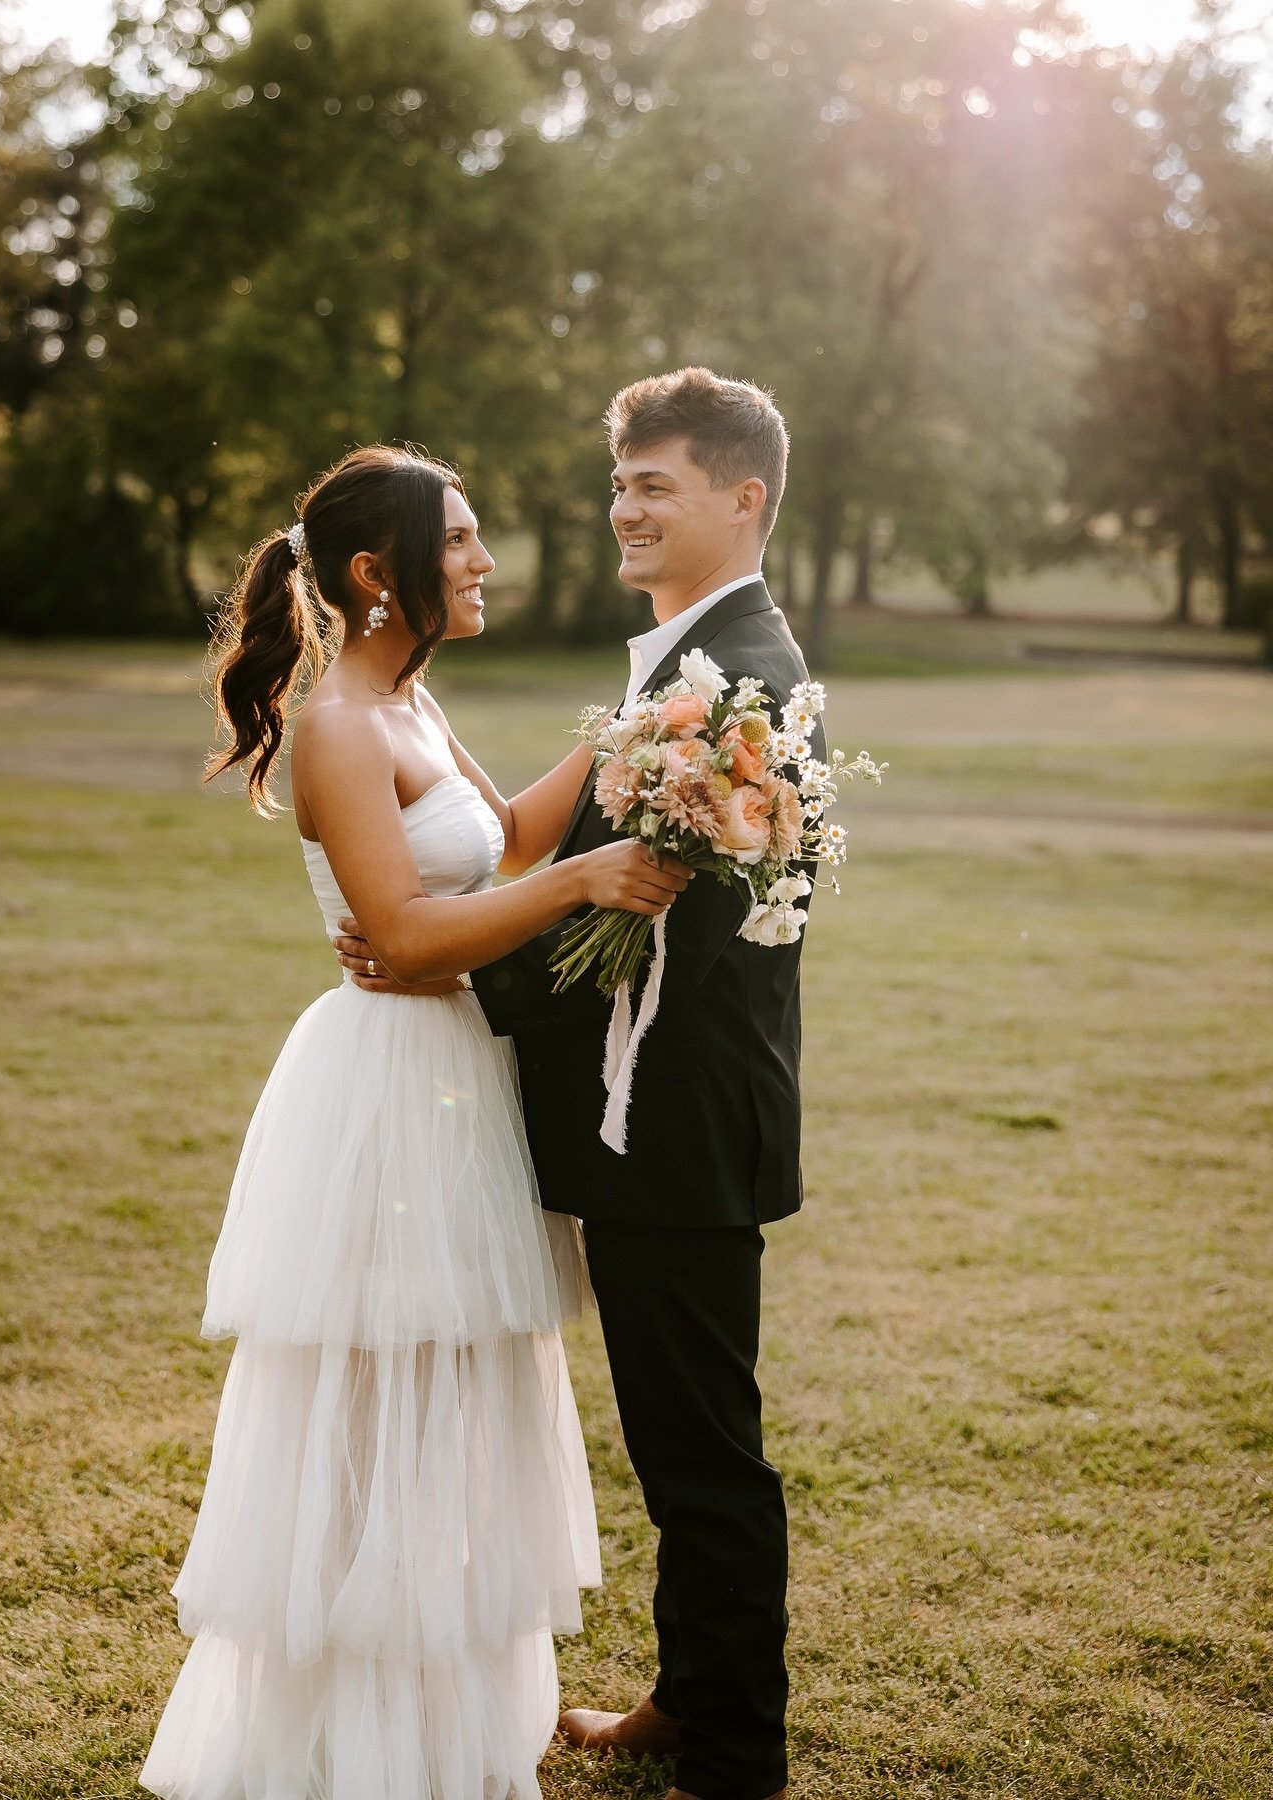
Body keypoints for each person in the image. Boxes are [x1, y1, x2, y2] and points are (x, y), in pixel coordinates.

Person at [139, 444, 690, 1800]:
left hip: (452, 1072)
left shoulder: (415, 705)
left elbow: (499, 837)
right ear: (377, 573)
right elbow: (403, 932)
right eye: (461, 539)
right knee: (383, 1405)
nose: (485, 559)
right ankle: (358, 1746)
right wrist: (588, 887)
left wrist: (635, 739)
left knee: (458, 1399)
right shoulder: (338, 725)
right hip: (384, 1087)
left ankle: (452, 1713)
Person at [339, 368, 825, 1800]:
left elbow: (666, 942)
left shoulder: (745, 683)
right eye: (619, 483)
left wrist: (441, 969)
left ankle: (734, 1751)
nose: (624, 507)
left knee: (703, 1452)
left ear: (743, 499)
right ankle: (691, 1695)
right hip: (646, 1120)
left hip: (674, 1123)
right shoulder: (684, 664)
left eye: (654, 484)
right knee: (679, 1437)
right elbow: (579, 876)